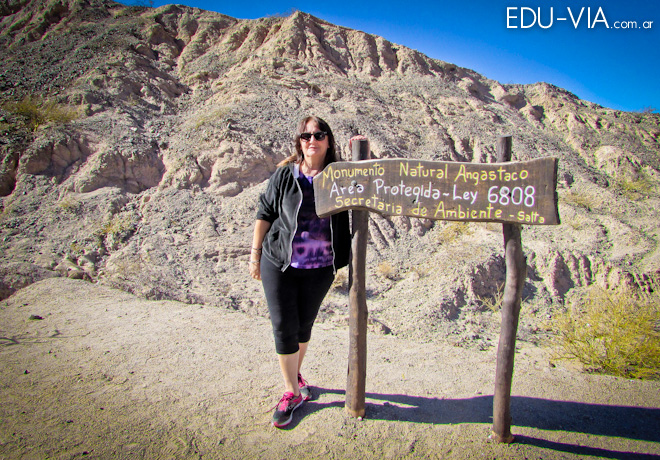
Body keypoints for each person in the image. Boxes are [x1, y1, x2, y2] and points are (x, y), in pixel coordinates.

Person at [249, 116, 364, 428]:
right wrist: (255, 254)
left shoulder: (340, 176)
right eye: (305, 135)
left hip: (320, 268)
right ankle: (292, 392)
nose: (311, 139)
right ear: (299, 142)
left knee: (303, 327)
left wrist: (360, 155)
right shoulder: (285, 176)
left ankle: (294, 376)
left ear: (328, 141)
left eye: (319, 134)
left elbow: (370, 184)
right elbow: (265, 213)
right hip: (280, 263)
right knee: (284, 327)